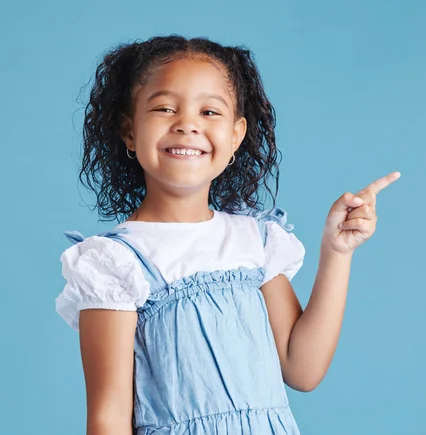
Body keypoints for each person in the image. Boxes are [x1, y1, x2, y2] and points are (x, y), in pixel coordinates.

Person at [55, 34, 401, 435]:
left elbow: (302, 369)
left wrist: (337, 252)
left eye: (209, 112)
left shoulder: (254, 240)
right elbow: (109, 416)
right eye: (165, 108)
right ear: (130, 131)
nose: (187, 124)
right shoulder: (114, 263)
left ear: (236, 135)